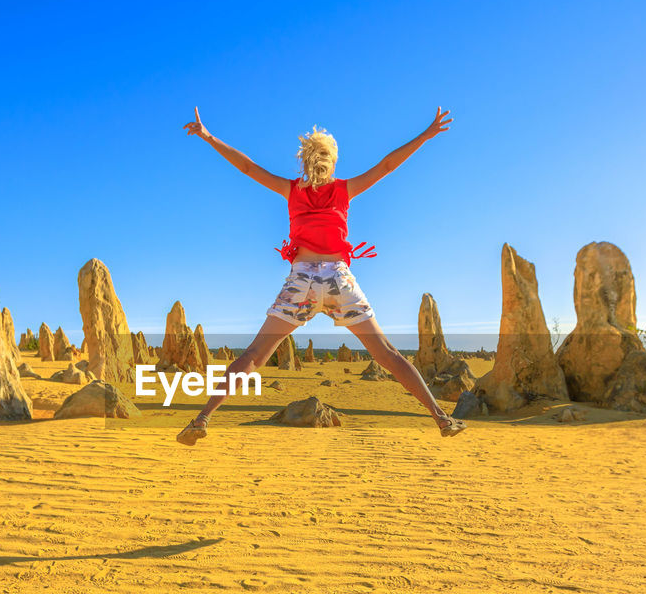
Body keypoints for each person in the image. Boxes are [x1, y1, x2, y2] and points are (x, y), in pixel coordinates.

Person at [176, 106, 466, 445]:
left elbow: (247, 167)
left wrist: (208, 136)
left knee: (254, 355)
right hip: (338, 281)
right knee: (388, 354)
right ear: (332, 161)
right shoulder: (344, 190)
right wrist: (426, 135)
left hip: (301, 281)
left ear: (303, 160)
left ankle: (202, 419)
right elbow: (387, 165)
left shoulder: (292, 190)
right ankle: (441, 418)